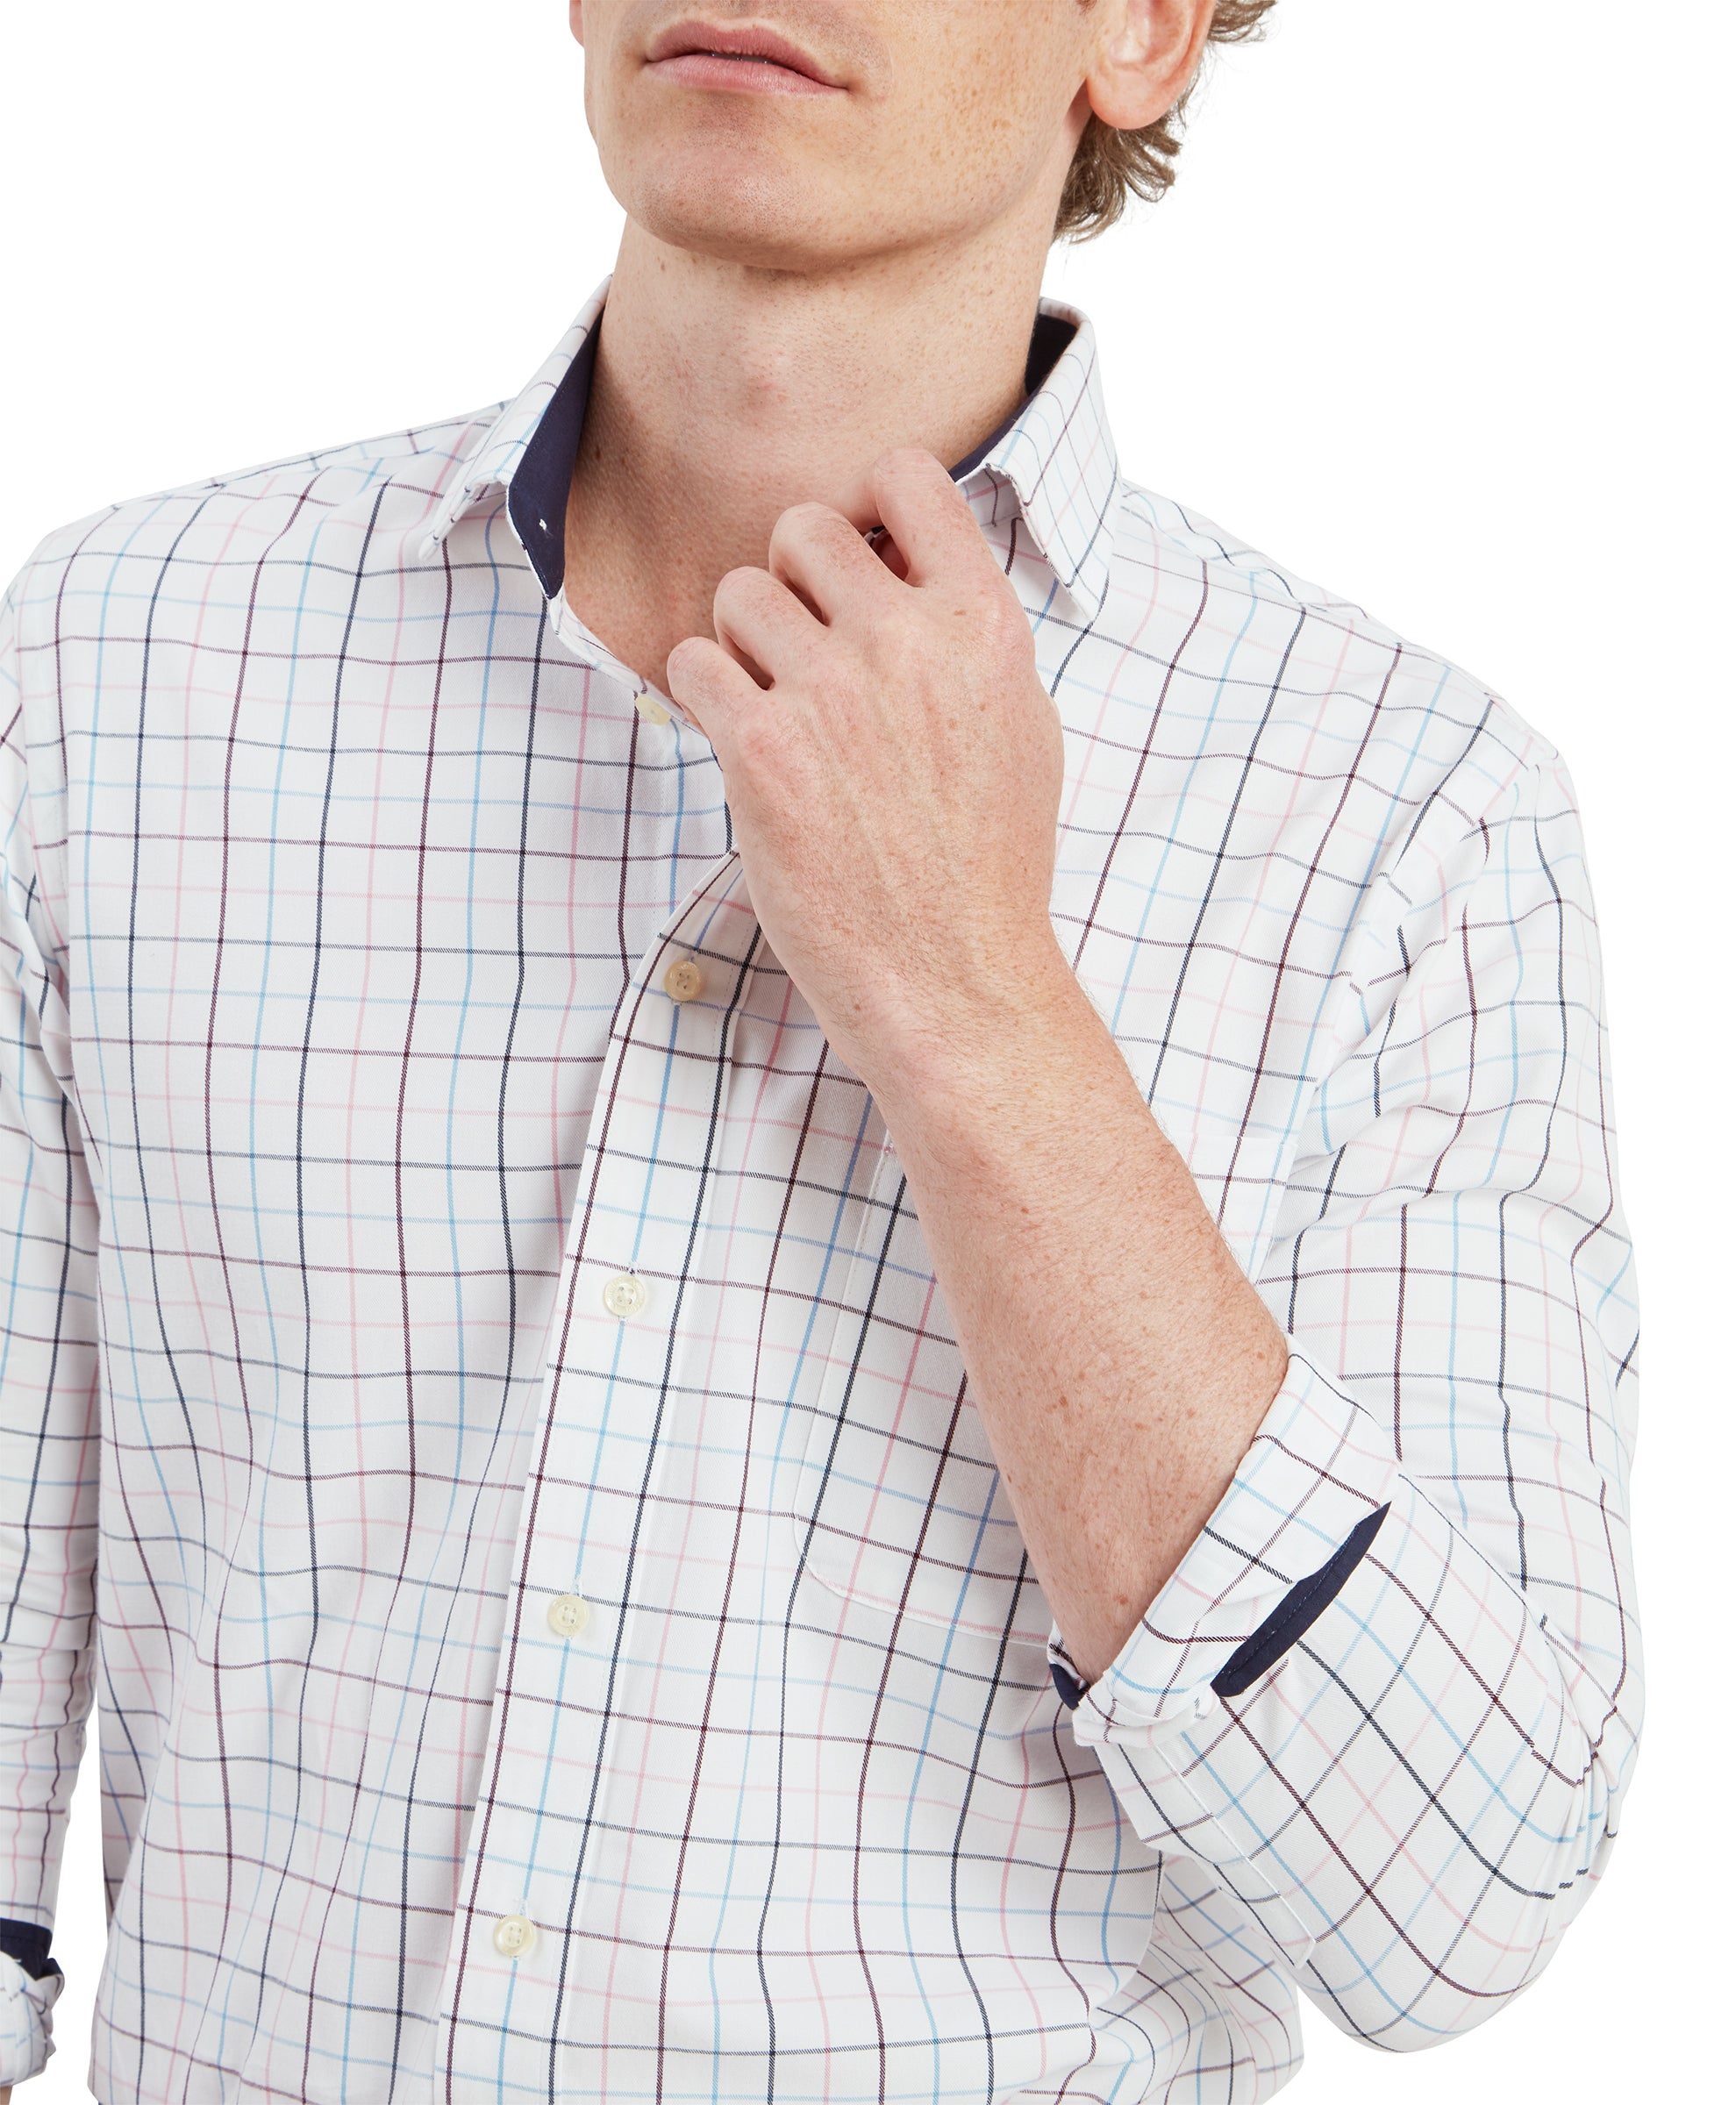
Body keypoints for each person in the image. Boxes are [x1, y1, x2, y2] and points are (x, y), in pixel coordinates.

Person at [0, 2, 1642, 2100]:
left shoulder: (1407, 825)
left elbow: (1463, 1883)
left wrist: (971, 1001)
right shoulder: (121, 671)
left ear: (1138, 30)